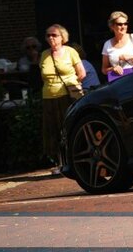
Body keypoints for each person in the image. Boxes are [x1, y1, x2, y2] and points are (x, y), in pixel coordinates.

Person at [40, 24, 86, 174]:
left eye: (54, 35)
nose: (51, 38)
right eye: (48, 35)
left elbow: (81, 73)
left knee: (68, 128)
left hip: (68, 95)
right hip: (49, 97)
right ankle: (60, 164)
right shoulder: (44, 54)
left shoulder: (70, 52)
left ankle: (74, 160)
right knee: (52, 130)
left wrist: (72, 85)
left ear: (62, 37)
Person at [101, 11, 133, 82]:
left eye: (125, 24)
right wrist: (113, 68)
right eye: (119, 24)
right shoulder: (107, 44)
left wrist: (131, 57)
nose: (123, 26)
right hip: (118, 82)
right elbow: (104, 69)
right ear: (112, 26)